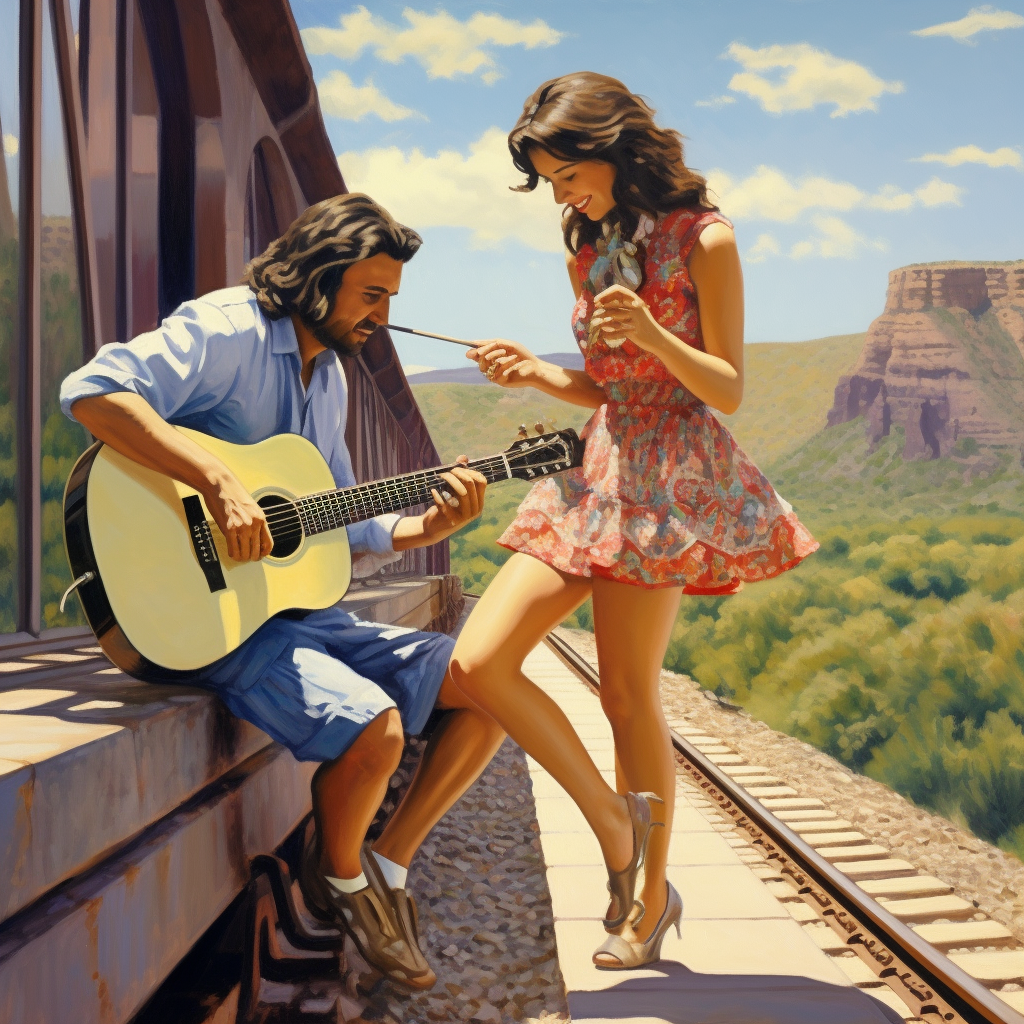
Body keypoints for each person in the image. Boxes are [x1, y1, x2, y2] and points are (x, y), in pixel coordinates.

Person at [59, 193, 506, 991]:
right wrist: (216, 479)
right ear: (317, 277)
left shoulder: (328, 376)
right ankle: (341, 888)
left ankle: (386, 863)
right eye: (371, 295)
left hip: (297, 611)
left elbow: (338, 517)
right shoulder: (227, 328)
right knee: (377, 732)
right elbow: (93, 391)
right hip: (211, 618)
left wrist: (424, 531)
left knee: (489, 685)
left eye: (390, 300)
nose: (381, 315)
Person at [450, 73, 818, 969]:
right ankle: (618, 827)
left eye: (567, 174)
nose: (560, 195)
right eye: (549, 181)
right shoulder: (586, 242)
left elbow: (725, 386)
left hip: (670, 480)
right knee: (477, 661)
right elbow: (605, 386)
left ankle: (646, 901)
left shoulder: (708, 238)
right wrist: (540, 376)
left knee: (626, 695)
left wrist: (654, 335)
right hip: (601, 457)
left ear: (611, 148)